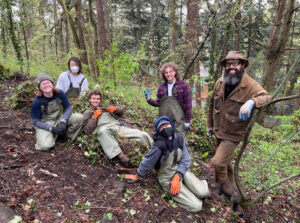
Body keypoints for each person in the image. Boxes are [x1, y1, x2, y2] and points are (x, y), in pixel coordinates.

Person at [207, 51, 271, 202]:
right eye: (229, 64)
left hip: (234, 133)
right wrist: (209, 126)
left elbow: (266, 97)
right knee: (226, 162)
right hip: (218, 130)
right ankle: (232, 186)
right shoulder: (220, 82)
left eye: (235, 63)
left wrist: (252, 102)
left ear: (242, 65)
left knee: (217, 162)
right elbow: (211, 106)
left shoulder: (250, 85)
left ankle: (220, 184)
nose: (231, 67)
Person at [124, 116, 210, 213]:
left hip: (181, 171)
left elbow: (185, 160)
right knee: (196, 206)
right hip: (167, 177)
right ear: (158, 130)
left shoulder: (180, 139)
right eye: (161, 127)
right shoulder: (159, 145)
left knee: (203, 192)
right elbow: (147, 161)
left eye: (166, 124)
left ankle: (202, 183)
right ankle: (189, 190)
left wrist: (178, 176)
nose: (165, 128)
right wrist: (137, 176)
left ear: (171, 125)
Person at [82, 89, 153, 165]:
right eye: (93, 99)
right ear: (89, 100)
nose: (96, 101)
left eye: (98, 99)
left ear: (100, 100)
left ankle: (155, 152)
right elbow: (87, 130)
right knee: (102, 131)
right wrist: (94, 117)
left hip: (116, 127)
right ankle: (121, 156)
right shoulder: (87, 112)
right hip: (103, 130)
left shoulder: (105, 107)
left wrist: (115, 109)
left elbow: (121, 108)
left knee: (142, 135)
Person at [31, 73, 83, 151]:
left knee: (79, 117)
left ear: (52, 84)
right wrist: (51, 128)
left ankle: (67, 136)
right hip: (45, 123)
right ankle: (52, 135)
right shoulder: (37, 101)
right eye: (43, 84)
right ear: (40, 88)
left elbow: (68, 107)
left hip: (59, 118)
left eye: (48, 82)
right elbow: (35, 121)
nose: (46, 85)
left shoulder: (59, 93)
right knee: (45, 146)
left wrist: (63, 120)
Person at [144, 62, 192, 135]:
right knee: (165, 142)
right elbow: (158, 103)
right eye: (166, 72)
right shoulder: (161, 87)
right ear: (164, 74)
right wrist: (149, 99)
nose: (168, 74)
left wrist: (187, 121)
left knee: (179, 142)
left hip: (179, 122)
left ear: (175, 72)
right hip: (165, 122)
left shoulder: (183, 85)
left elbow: (188, 105)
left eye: (170, 72)